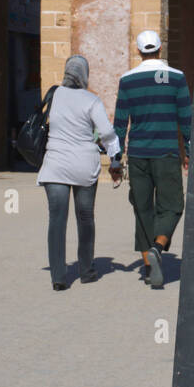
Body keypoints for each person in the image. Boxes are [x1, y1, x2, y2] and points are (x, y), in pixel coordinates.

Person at [112, 30, 192, 287]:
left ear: (139, 51)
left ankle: (148, 267)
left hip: (137, 154)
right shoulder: (177, 78)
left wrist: (115, 159)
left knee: (142, 208)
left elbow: (120, 123)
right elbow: (187, 119)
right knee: (172, 206)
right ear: (160, 49)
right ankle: (158, 248)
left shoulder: (127, 80)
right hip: (167, 152)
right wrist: (189, 150)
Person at [37, 54, 123, 290]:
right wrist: (116, 158)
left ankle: (58, 277)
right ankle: (86, 271)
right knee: (85, 217)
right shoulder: (91, 100)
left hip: (55, 165)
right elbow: (106, 133)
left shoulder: (54, 95)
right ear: (85, 75)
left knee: (56, 219)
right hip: (84, 166)